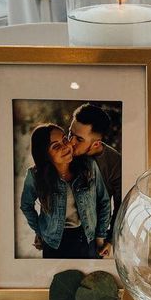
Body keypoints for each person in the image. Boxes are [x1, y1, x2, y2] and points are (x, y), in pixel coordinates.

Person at [19, 123, 111, 259]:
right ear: (45, 154)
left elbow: (104, 201)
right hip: (53, 244)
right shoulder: (35, 176)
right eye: (56, 146)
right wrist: (40, 232)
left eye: (65, 139)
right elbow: (26, 206)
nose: (66, 146)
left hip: (87, 239)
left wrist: (100, 237)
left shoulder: (89, 167)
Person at [68, 104, 122, 235]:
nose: (71, 142)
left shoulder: (115, 163)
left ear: (96, 144)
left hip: (94, 234)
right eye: (70, 133)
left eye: (79, 139)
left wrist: (109, 240)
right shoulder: (65, 152)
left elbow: (120, 207)